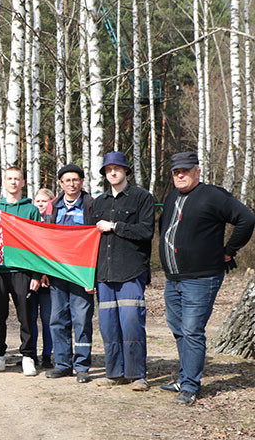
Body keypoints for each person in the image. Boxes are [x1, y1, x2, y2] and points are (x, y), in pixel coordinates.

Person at [158, 152, 255, 404]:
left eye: (185, 170)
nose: (180, 175)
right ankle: (184, 377)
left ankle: (191, 385)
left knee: (192, 330)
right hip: (173, 278)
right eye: (176, 172)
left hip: (201, 278)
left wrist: (229, 250)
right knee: (178, 329)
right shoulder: (171, 197)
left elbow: (246, 219)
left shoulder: (213, 195)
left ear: (197, 171)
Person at [90, 152, 155, 392]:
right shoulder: (99, 202)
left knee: (131, 324)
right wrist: (89, 276)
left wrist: (115, 226)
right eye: (108, 170)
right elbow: (91, 242)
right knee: (109, 326)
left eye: (117, 168)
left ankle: (137, 375)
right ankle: (114, 373)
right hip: (104, 275)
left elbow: (146, 231)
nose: (113, 173)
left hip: (130, 271)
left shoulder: (142, 198)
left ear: (126, 171)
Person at [0, 167, 42, 376]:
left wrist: (36, 274)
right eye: (9, 179)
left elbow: (37, 244)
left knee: (26, 315)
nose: (13, 182)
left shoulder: (31, 210)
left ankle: (28, 356)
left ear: (22, 183)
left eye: (17, 179)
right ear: (4, 182)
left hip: (22, 270)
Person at [42, 164, 96, 384]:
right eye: (67, 181)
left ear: (82, 182)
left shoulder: (92, 205)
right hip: (57, 272)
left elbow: (96, 241)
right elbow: (45, 239)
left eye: (76, 180)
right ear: (60, 184)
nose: (72, 184)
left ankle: (82, 366)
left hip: (82, 273)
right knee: (57, 319)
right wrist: (43, 271)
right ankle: (63, 364)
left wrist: (94, 276)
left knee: (81, 320)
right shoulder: (52, 206)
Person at [31, 187, 55, 370]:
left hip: (48, 280)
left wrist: (44, 273)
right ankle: (30, 354)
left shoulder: (53, 222)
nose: (40, 204)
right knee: (30, 319)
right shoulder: (28, 222)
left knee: (48, 319)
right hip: (31, 279)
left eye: (44, 201)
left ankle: (47, 354)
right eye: (37, 201)